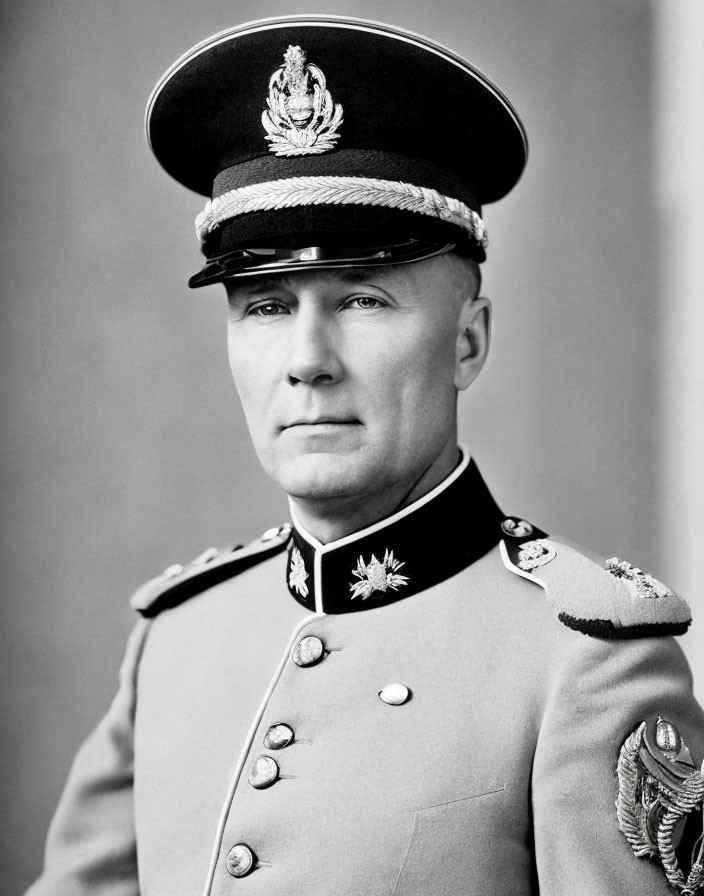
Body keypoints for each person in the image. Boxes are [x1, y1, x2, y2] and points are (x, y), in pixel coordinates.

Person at [27, 14, 704, 896]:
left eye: (363, 299)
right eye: (264, 305)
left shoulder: (586, 663)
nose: (308, 359)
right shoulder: (174, 640)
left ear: (468, 342)